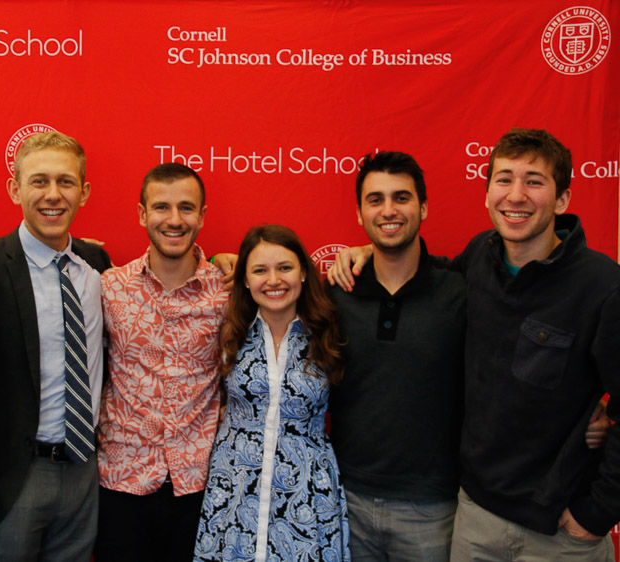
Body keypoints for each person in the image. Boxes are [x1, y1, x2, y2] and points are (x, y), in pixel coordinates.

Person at [331, 129, 620, 560]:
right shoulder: (477, 262)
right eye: (504, 179)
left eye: (534, 181)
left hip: (558, 527)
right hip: (475, 515)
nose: (516, 195)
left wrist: (597, 512)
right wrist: (369, 251)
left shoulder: (602, 284)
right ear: (487, 195)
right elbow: (417, 273)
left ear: (561, 200)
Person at [0, 132, 111, 560]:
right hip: (18, 472)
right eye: (39, 181)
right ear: (15, 189)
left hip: (85, 469)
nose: (53, 195)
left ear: (83, 192)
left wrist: (216, 261)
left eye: (66, 182)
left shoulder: (96, 265)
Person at [328, 151, 466, 560]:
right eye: (375, 200)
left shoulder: (460, 291)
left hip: (431, 508)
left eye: (401, 198)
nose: (389, 210)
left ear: (423, 207)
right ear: (359, 213)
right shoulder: (336, 292)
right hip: (345, 499)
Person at [95, 163, 229, 562]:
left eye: (187, 208)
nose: (174, 220)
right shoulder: (108, 286)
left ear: (202, 216)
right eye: (161, 208)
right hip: (122, 480)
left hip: (198, 483)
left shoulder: (228, 291)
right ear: (141, 214)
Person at [193, 224, 350, 561]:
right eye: (260, 270)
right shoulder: (229, 332)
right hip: (234, 491)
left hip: (307, 495)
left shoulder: (328, 333)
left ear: (304, 272)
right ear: (245, 280)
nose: (274, 280)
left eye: (285, 267)